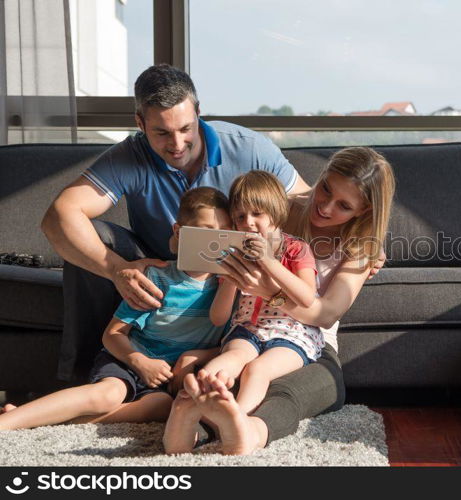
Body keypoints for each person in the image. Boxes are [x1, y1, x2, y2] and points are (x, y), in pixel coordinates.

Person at [41, 64, 311, 411]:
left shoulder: (248, 148)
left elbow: (305, 205)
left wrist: (355, 246)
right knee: (99, 236)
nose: (178, 144)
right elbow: (59, 217)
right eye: (162, 134)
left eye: (186, 128)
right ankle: (92, 379)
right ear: (140, 124)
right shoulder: (130, 155)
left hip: (232, 274)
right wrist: (117, 270)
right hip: (158, 266)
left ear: (198, 112)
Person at [165, 147, 395, 455]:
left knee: (287, 391)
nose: (325, 207)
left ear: (363, 211)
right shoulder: (271, 210)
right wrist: (156, 261)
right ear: (322, 175)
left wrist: (266, 291)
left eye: (343, 205)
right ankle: (188, 430)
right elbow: (206, 238)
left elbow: (324, 314)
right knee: (224, 378)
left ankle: (248, 431)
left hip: (310, 343)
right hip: (250, 329)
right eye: (326, 189)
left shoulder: (361, 247)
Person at [0, 187, 232, 429]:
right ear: (180, 231)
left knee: (163, 406)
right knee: (108, 395)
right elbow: (112, 334)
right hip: (130, 361)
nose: (214, 241)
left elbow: (234, 342)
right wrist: (141, 362)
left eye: (224, 233)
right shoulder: (158, 277)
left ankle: (41, 419)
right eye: (206, 231)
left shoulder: (231, 286)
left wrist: (194, 358)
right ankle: (8, 423)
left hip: (169, 382)